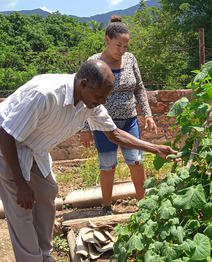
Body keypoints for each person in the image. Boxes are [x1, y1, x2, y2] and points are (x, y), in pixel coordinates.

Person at [0, 60, 177, 262]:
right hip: (4, 142)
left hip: (33, 144)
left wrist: (156, 148)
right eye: (100, 96)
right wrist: (21, 184)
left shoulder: (91, 103)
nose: (103, 102)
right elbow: (5, 134)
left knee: (47, 191)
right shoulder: (45, 94)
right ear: (83, 83)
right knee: (21, 206)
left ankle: (44, 255)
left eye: (105, 97)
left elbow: (114, 134)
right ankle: (31, 259)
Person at [80, 15, 156, 215]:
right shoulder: (93, 63)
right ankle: (106, 207)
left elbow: (139, 87)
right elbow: (83, 94)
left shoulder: (130, 59)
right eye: (118, 45)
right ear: (107, 40)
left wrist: (147, 114)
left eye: (126, 46)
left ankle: (144, 206)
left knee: (136, 161)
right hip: (102, 123)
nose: (122, 50)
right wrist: (85, 127)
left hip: (130, 121)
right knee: (107, 165)